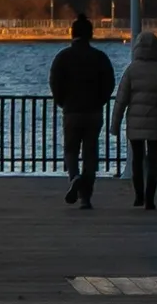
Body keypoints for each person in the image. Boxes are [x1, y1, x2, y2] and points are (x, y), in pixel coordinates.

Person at [48, 15, 115, 208]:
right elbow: (109, 83)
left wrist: (62, 102)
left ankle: (74, 176)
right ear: (91, 34)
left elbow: (55, 83)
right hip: (93, 111)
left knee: (70, 149)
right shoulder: (100, 57)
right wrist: (100, 101)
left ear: (72, 33)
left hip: (72, 111)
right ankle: (86, 197)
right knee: (90, 153)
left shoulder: (63, 57)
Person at [112, 30, 157, 210]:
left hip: (135, 122)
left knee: (137, 159)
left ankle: (138, 196)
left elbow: (121, 99)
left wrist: (115, 124)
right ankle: (150, 198)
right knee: (153, 160)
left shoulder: (131, 71)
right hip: (155, 122)